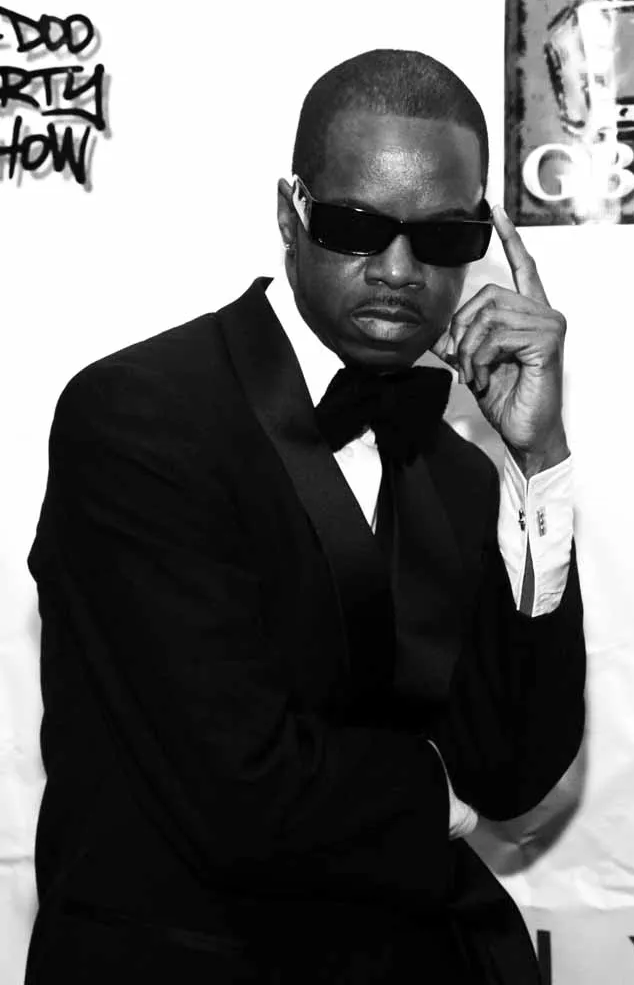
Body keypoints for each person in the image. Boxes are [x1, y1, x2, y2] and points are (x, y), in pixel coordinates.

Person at [25, 49, 585, 984]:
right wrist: (439, 797)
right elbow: (237, 792)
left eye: (441, 236)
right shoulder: (138, 417)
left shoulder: (458, 470)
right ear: (290, 213)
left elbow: (513, 767)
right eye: (355, 226)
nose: (399, 270)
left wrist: (537, 462)